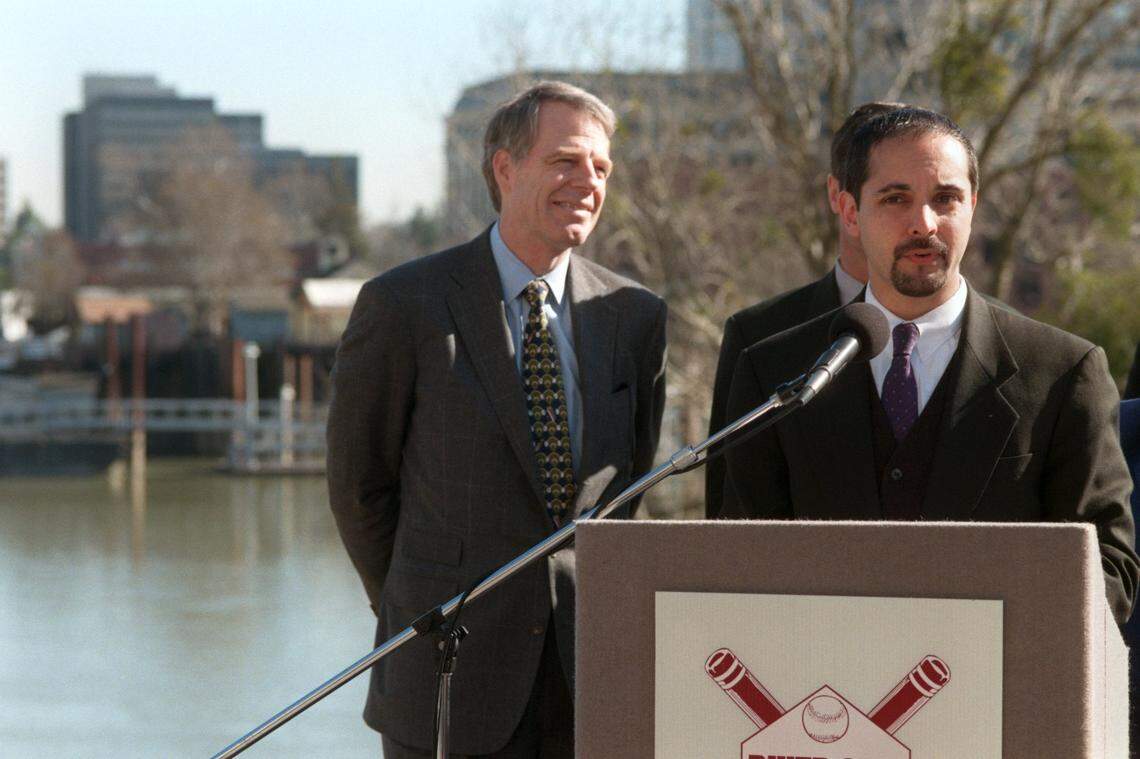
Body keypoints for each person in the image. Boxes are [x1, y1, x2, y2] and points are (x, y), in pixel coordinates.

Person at [327, 81, 667, 758]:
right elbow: (358, 488)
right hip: (447, 675)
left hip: (586, 682)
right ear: (505, 168)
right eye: (566, 160)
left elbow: (629, 491)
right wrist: (415, 601)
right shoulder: (405, 305)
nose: (588, 182)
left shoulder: (633, 316)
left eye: (601, 168)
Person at [720, 106, 1138, 626]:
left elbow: (1111, 572)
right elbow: (733, 572)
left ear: (973, 207)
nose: (924, 224)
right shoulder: (775, 372)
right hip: (822, 693)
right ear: (850, 212)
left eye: (945, 199)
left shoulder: (1063, 372)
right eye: (896, 199)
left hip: (997, 692)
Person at [705, 101, 904, 518]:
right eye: (893, 195)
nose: (913, 218)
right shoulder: (757, 338)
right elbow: (728, 521)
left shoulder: (1012, 346)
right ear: (840, 198)